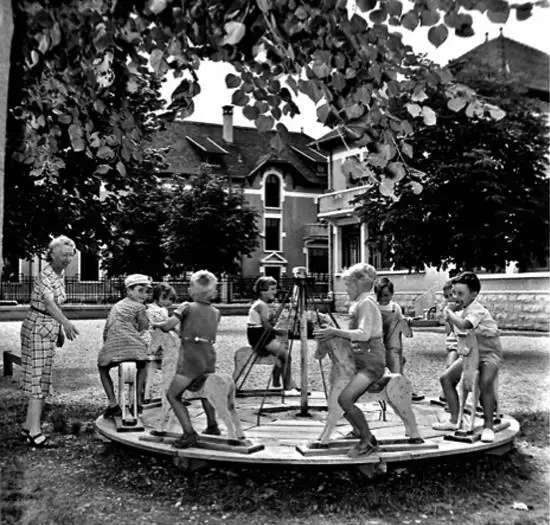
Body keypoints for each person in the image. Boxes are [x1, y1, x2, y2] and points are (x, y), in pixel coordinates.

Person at [314, 262, 386, 458]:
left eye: (348, 285)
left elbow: (364, 334)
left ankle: (368, 439)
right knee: (340, 391)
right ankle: (357, 429)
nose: (346, 290)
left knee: (345, 399)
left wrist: (335, 331)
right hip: (361, 359)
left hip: (372, 362)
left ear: (359, 284)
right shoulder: (362, 303)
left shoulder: (367, 304)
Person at [20, 235, 80, 447]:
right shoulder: (45, 274)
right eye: (63, 254)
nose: (66, 259)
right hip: (38, 326)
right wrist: (65, 323)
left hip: (46, 326)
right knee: (38, 379)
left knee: (42, 376)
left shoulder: (59, 273)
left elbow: (55, 305)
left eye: (70, 255)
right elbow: (48, 302)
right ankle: (35, 432)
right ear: (52, 254)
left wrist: (58, 329)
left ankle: (29, 425)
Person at [152, 270, 222, 449]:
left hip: (191, 355)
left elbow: (169, 325)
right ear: (213, 292)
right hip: (209, 354)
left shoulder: (186, 307)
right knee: (206, 391)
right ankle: (212, 425)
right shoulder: (216, 311)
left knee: (173, 395)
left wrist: (156, 324)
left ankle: (189, 433)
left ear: (191, 291)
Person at [433, 271, 502, 443]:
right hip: (470, 354)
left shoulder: (476, 310)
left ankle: (488, 426)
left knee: (485, 382)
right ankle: (454, 420)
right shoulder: (462, 310)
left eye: (460, 294)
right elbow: (456, 332)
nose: (456, 297)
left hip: (488, 354)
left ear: (474, 294)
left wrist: (449, 313)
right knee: (446, 379)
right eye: (454, 293)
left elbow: (465, 325)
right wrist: (450, 316)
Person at [97, 273, 152, 418]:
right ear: (128, 290)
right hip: (134, 348)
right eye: (140, 290)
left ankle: (113, 403)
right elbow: (144, 327)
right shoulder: (140, 307)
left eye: (146, 291)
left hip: (113, 347)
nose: (144, 295)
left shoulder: (116, 306)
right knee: (143, 364)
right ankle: (137, 401)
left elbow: (107, 328)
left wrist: (107, 346)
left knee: (103, 369)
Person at [373, 277, 424, 402]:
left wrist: (408, 321)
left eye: (386, 295)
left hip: (393, 344)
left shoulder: (395, 308)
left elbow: (402, 322)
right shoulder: (373, 307)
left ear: (392, 294)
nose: (383, 298)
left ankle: (403, 391)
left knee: (397, 367)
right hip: (377, 344)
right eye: (380, 295)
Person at [246, 276, 299, 391]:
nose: (275, 292)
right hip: (259, 335)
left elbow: (265, 323)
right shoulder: (262, 305)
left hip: (257, 333)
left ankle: (277, 381)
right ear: (263, 291)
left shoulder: (259, 303)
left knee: (281, 354)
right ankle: (287, 385)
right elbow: (267, 326)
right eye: (272, 289)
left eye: (275, 289)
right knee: (286, 356)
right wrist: (279, 331)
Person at [142, 283, 177, 403]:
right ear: (157, 297)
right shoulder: (161, 310)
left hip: (149, 343)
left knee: (150, 370)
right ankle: (170, 394)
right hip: (158, 343)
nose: (168, 301)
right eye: (165, 298)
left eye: (170, 299)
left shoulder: (148, 308)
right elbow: (165, 326)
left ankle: (146, 394)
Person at [438, 280, 459, 403]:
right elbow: (448, 330)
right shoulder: (448, 310)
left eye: (452, 295)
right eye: (446, 296)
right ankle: (445, 393)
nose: (450, 298)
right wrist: (449, 316)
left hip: (466, 343)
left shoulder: (465, 307)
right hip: (454, 342)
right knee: (450, 365)